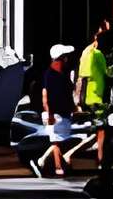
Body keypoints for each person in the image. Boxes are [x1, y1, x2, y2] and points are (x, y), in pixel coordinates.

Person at [23, 43, 78, 179]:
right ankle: (58, 167)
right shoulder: (51, 75)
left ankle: (43, 162)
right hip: (56, 113)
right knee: (57, 142)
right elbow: (45, 96)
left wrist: (73, 108)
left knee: (61, 141)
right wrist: (50, 113)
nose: (67, 59)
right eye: (65, 57)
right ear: (60, 58)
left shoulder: (61, 74)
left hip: (64, 113)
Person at [72, 22, 113, 168]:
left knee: (98, 129)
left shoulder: (87, 52)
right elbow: (106, 74)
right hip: (96, 98)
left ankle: (99, 158)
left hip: (88, 98)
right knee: (102, 130)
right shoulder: (97, 54)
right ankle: (101, 160)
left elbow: (82, 77)